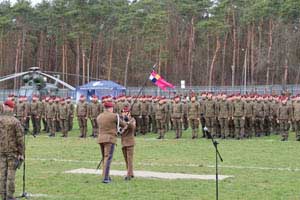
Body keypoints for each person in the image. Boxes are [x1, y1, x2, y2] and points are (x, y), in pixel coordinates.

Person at [97, 102, 126, 183]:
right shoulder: (114, 116)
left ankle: (104, 175)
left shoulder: (99, 116)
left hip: (100, 138)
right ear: (110, 108)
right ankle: (106, 178)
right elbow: (123, 125)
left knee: (104, 157)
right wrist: (124, 119)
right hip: (110, 139)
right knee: (108, 158)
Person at [0, 100, 24, 200]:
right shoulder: (15, 121)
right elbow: (20, 139)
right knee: (11, 174)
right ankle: (9, 196)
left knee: (2, 174)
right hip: (12, 152)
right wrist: (21, 153)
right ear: (11, 108)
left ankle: (2, 194)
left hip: (1, 151)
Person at [120, 106, 136, 180]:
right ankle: (130, 172)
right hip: (123, 142)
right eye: (123, 112)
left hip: (130, 142)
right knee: (126, 159)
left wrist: (128, 121)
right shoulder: (121, 120)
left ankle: (128, 175)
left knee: (130, 160)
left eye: (125, 112)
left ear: (129, 113)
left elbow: (132, 127)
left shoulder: (132, 120)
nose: (124, 114)